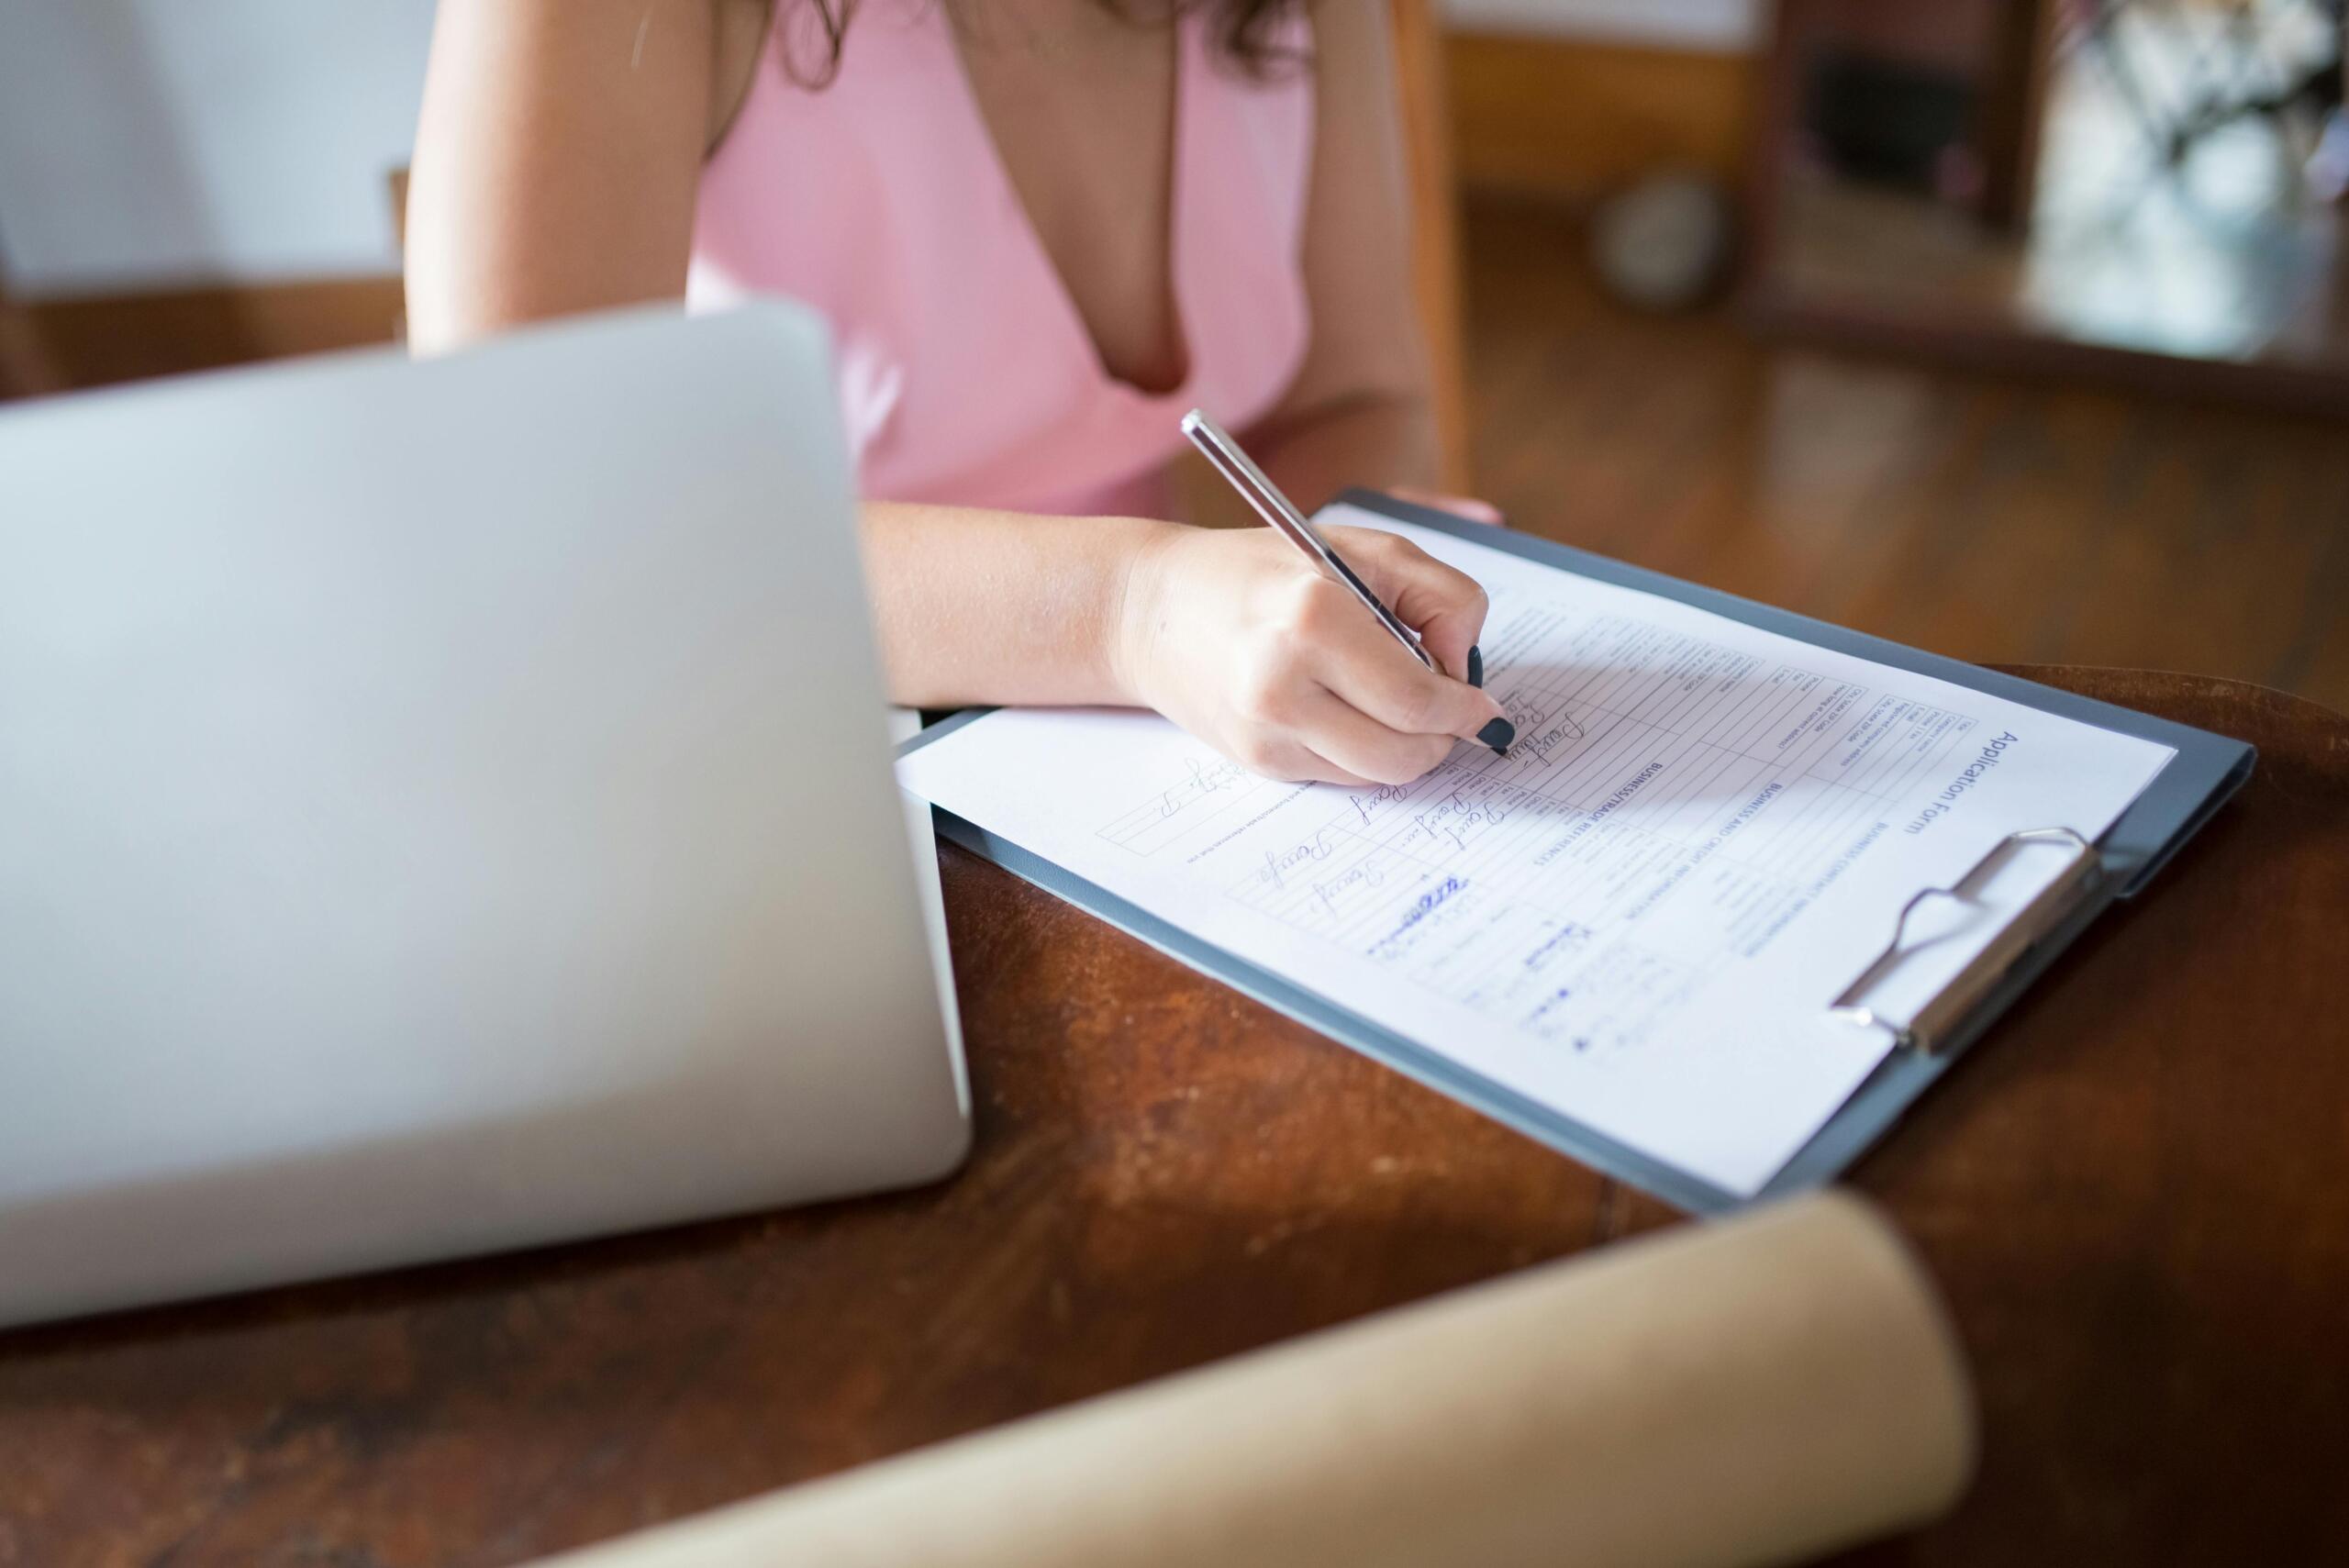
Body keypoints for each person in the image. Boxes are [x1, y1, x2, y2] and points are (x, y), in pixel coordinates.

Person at [405, 0, 1512, 786]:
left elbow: (1351, 399)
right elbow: (534, 532)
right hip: (764, 731)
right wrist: (1131, 612)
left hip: (1144, 747)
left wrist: (1350, 614)